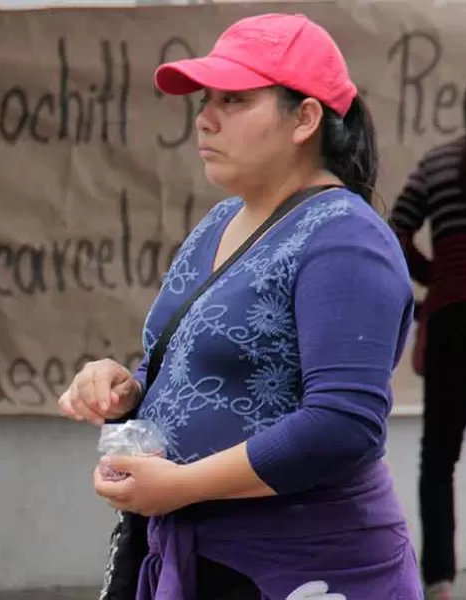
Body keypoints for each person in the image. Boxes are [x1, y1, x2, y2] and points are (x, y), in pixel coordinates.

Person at [58, 13, 421, 599]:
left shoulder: (345, 238)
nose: (205, 117)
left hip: (302, 568)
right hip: (206, 555)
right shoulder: (221, 220)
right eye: (206, 98)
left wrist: (181, 486)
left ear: (304, 117)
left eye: (234, 99)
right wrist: (126, 387)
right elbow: (197, 368)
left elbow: (342, 424)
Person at [391, 66, 466, 600]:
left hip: (453, 320)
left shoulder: (438, 162)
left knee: (438, 456)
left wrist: (436, 279)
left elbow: (394, 231)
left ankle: (438, 581)